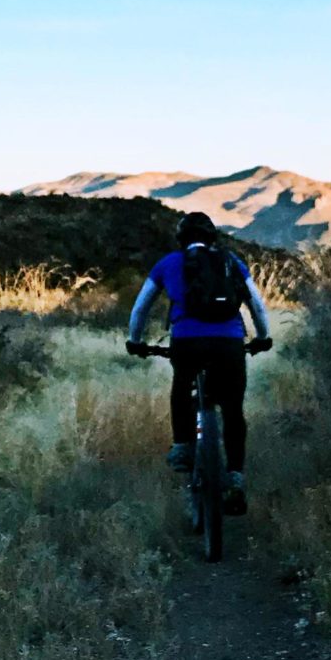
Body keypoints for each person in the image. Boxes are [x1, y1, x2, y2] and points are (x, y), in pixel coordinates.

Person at [125, 211, 273, 511]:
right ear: (212, 238)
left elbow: (141, 308)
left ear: (181, 239)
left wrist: (135, 341)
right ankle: (234, 478)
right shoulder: (231, 261)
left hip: (187, 342)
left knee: (182, 385)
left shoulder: (168, 263)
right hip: (229, 343)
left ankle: (181, 446)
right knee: (233, 409)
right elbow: (256, 304)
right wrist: (263, 337)